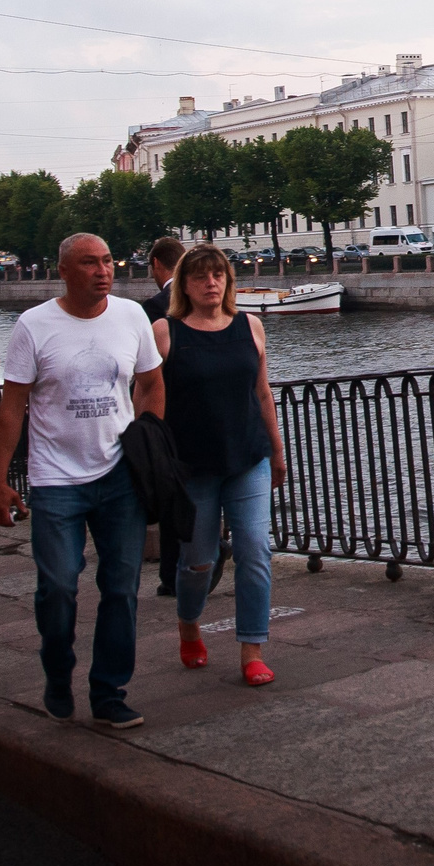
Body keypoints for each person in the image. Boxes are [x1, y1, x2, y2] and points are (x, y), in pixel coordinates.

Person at [0, 233, 163, 729]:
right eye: (89, 263)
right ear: (64, 271)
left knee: (122, 589)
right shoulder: (34, 326)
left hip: (119, 476)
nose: (103, 270)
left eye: (108, 260)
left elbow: (151, 382)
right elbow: (12, 409)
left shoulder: (132, 317)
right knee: (60, 585)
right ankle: (58, 666)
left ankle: (109, 691)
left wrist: (147, 439)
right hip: (56, 480)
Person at [152, 245, 283, 684]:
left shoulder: (251, 326)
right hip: (193, 467)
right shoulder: (166, 333)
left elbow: (262, 393)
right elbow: (147, 399)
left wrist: (278, 450)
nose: (211, 283)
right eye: (201, 276)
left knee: (255, 550)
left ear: (228, 281)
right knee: (198, 562)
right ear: (184, 285)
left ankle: (252, 648)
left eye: (219, 275)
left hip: (247, 457)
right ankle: (189, 621)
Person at [140, 237, 185, 597]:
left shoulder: (153, 307)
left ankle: (174, 574)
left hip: (167, 417)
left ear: (157, 264)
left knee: (172, 498)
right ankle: (209, 552)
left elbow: (142, 371)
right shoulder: (207, 297)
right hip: (207, 413)